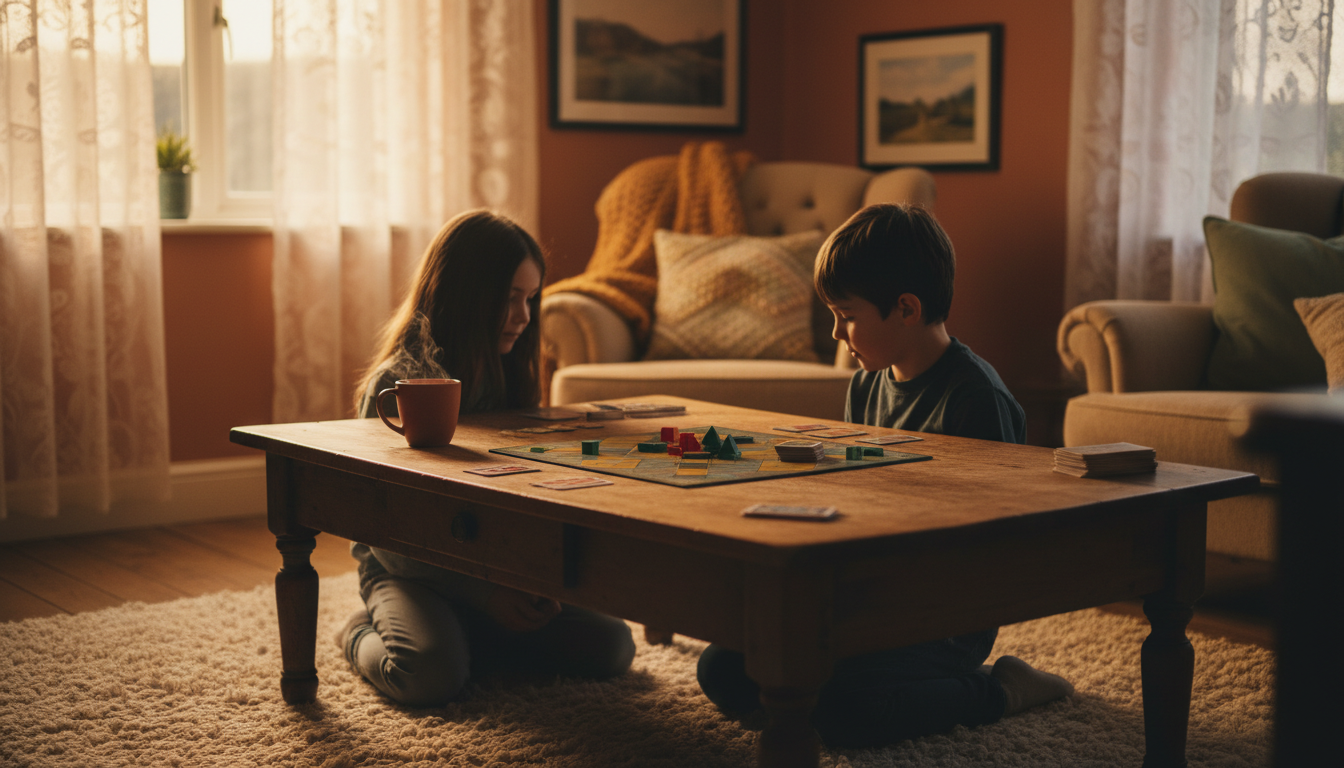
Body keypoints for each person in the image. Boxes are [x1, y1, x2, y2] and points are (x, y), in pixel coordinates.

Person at [695, 203, 1073, 747]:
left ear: (906, 309)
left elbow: (988, 557)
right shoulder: (865, 385)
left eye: (846, 315)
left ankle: (999, 688)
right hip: (865, 596)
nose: (836, 333)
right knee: (722, 670)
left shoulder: (977, 399)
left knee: (845, 710)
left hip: (942, 618)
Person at [338, 209, 636, 706]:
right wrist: (485, 597)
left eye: (530, 299)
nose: (523, 316)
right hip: (410, 569)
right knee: (428, 675)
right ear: (465, 294)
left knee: (612, 647)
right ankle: (358, 632)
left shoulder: (509, 374)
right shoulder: (398, 385)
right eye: (508, 298)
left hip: (497, 567)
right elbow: (386, 538)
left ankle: (474, 639)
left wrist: (538, 578)